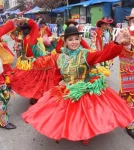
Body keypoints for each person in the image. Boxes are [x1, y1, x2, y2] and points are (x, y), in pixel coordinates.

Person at [22, 26, 134, 144]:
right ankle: (76, 132)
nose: (74, 42)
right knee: (70, 117)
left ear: (80, 39)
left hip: (84, 88)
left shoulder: (86, 54)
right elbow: (56, 73)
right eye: (70, 39)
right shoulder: (59, 57)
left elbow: (105, 54)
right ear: (65, 42)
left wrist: (116, 42)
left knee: (86, 116)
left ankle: (86, 134)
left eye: (76, 39)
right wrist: (60, 80)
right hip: (67, 89)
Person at [9, 18, 61, 104]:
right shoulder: (32, 37)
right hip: (39, 62)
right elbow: (33, 24)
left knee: (35, 82)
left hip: (34, 62)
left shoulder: (25, 39)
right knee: (40, 82)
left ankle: (36, 97)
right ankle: (39, 98)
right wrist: (25, 19)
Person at [119, 8, 134, 138]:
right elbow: (121, 52)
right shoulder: (125, 33)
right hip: (130, 70)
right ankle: (130, 122)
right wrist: (128, 47)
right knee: (130, 96)